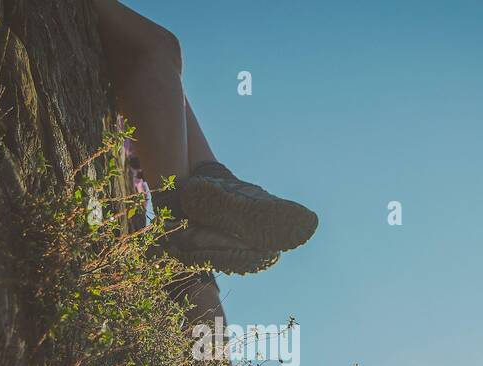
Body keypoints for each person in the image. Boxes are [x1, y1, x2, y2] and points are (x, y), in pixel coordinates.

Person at [91, 0, 318, 283]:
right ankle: (191, 200)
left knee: (161, 50)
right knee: (160, 49)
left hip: (145, 182)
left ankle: (194, 197)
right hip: (146, 185)